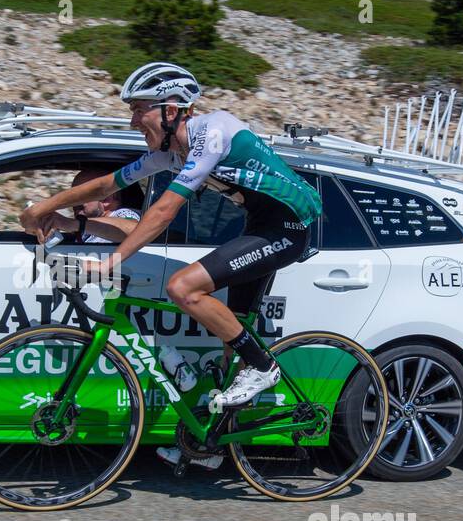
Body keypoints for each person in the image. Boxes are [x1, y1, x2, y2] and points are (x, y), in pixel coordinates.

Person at [20, 61, 323, 469]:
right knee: (226, 347)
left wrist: (113, 259)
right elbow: (108, 184)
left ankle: (264, 366)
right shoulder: (170, 154)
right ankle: (211, 442)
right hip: (260, 226)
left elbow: (163, 211)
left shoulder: (211, 133)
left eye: (138, 109)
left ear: (172, 109)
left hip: (289, 226)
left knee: (183, 288)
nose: (132, 122)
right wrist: (45, 207)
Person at [39, 168, 143, 243]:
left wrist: (71, 224)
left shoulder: (123, 215)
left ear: (108, 198)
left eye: (81, 196)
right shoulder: (89, 228)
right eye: (72, 197)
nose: (74, 202)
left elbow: (137, 231)